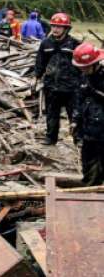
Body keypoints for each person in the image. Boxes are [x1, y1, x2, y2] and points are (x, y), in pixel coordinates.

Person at [35, 13, 83, 145]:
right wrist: (36, 78)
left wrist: (83, 82)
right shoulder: (45, 43)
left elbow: (82, 66)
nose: (56, 29)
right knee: (51, 113)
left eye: (59, 27)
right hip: (51, 86)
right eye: (54, 26)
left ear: (66, 28)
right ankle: (51, 138)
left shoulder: (74, 44)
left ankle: (78, 139)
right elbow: (40, 62)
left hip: (71, 86)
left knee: (74, 114)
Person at [72, 43, 104, 186]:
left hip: (101, 131)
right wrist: (75, 120)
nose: (82, 70)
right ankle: (91, 189)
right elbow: (79, 99)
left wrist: (97, 93)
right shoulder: (84, 77)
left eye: (85, 67)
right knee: (88, 165)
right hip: (88, 130)